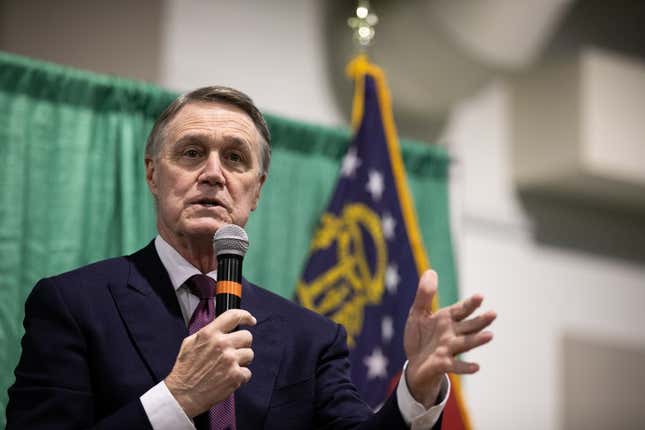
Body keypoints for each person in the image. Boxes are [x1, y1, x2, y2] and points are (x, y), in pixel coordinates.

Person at [6, 86, 496, 429]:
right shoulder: (73, 305)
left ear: (255, 191)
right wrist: (175, 400)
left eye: (235, 158)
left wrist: (416, 386)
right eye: (192, 153)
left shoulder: (313, 339)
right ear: (153, 175)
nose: (214, 174)